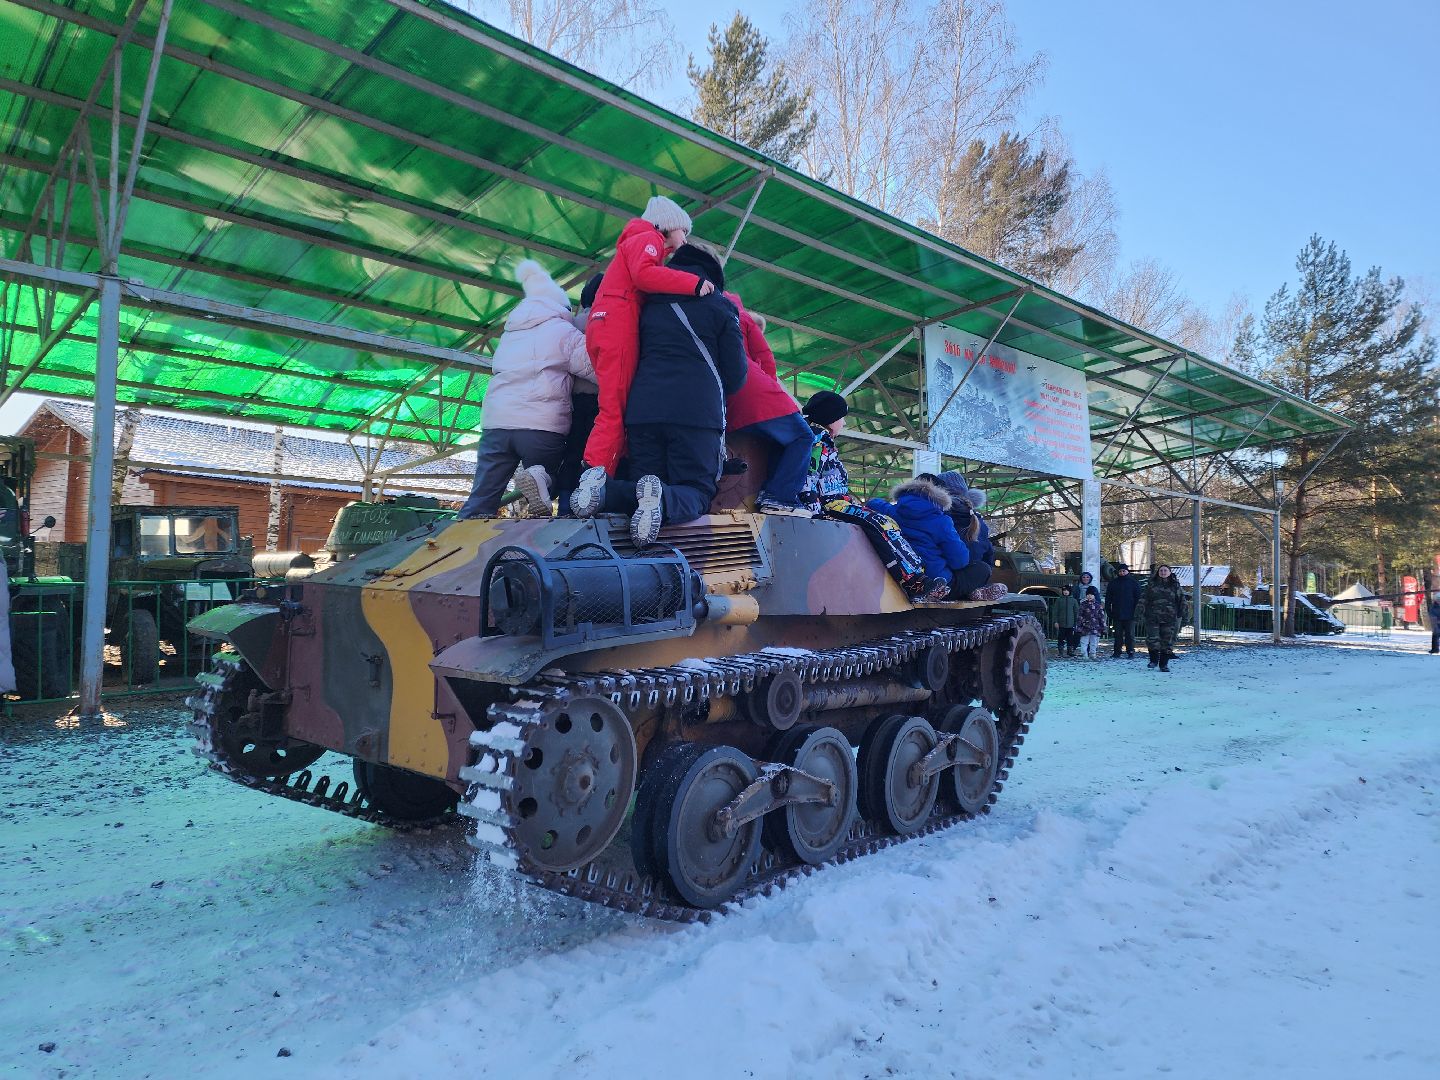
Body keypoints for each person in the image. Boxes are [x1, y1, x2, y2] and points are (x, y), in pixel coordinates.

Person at [571, 241, 746, 546]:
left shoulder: (645, 301)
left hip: (643, 411)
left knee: (641, 487)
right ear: (714, 271)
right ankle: (662, 499)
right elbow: (735, 376)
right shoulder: (720, 306)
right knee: (698, 491)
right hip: (696, 413)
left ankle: (603, 489)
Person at [581, 196, 713, 480]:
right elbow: (645, 275)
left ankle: (605, 474)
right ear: (667, 225)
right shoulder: (647, 238)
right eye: (683, 231)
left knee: (616, 401)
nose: (685, 239)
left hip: (602, 323)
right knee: (615, 407)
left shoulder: (632, 242)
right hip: (618, 323)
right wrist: (694, 283)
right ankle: (594, 476)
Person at [458, 260, 593, 520]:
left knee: (482, 496)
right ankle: (540, 479)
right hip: (541, 426)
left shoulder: (510, 334)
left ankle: (451, 545)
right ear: (561, 307)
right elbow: (595, 367)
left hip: (496, 425)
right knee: (549, 480)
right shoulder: (562, 331)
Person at [797, 391, 931, 598]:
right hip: (829, 504)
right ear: (831, 419)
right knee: (880, 524)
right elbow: (808, 477)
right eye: (841, 418)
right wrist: (814, 512)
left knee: (884, 522)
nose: (843, 422)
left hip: (836, 503)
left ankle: (915, 575)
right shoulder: (817, 441)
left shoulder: (821, 441)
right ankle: (912, 580)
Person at [724, 293, 814, 516]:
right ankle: (779, 497)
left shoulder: (709, 313)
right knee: (803, 437)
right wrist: (773, 389)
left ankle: (771, 494)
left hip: (728, 400)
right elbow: (765, 358)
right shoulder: (742, 317)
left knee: (777, 441)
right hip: (756, 393)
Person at [867, 476, 991, 602]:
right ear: (941, 495)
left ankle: (971, 592)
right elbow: (959, 561)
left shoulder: (890, 511)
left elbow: (872, 503)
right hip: (934, 581)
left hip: (900, 578)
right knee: (982, 568)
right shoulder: (942, 521)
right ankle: (970, 592)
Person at [1141, 564, 1185, 671]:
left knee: (1167, 641)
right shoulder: (1151, 584)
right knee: (1153, 640)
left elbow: (1182, 600)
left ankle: (1164, 664)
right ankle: (1153, 661)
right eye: (1161, 570)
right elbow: (1143, 599)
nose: (1163, 572)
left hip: (1169, 618)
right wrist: (1139, 612)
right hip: (1153, 617)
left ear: (1169, 572)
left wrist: (1184, 615)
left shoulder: (1175, 585)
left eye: (1165, 570)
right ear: (1158, 572)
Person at [1106, 562, 1141, 658]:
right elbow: (1108, 598)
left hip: (1131, 613)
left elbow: (1138, 598)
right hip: (1117, 613)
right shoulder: (1113, 583)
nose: (1122, 572)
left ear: (1127, 571)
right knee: (1117, 635)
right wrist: (1109, 610)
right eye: (1120, 571)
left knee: (1130, 635)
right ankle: (1117, 651)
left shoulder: (1133, 583)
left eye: (1123, 571)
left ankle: (1130, 651)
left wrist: (1137, 612)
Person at [1077, 590, 1106, 658]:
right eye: (1088, 594)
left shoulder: (1098, 606)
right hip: (1085, 627)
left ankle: (1093, 654)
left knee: (1094, 642)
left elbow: (1101, 617)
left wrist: (1103, 627)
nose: (1089, 596)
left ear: (1094, 596)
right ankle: (1084, 654)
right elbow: (1079, 616)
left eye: (1091, 595)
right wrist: (1079, 626)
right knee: (1084, 642)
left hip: (1095, 627)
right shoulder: (1083, 605)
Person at [1053, 584, 1079, 657]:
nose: (1065, 592)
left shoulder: (1073, 601)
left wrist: (1076, 622)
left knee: (1070, 639)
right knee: (1061, 638)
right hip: (1061, 624)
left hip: (1071, 624)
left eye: (1067, 590)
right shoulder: (1059, 600)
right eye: (1064, 590)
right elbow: (1055, 611)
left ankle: (1070, 651)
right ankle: (1060, 652)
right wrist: (1055, 621)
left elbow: (1076, 612)